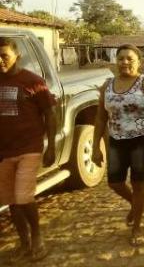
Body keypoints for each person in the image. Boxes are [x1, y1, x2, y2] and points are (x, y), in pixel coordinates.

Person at [92, 44, 144, 246]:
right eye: (121, 58)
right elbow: (100, 118)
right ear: (116, 61)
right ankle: (136, 205)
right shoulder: (107, 85)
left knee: (138, 182)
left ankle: (137, 227)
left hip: (142, 141)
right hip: (116, 140)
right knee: (114, 182)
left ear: (139, 62)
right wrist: (95, 148)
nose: (125, 62)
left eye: (130, 59)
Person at [0, 37, 56, 263]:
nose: (0, 60)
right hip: (4, 151)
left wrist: (51, 145)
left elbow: (50, 115)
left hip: (29, 148)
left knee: (24, 198)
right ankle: (24, 242)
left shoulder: (33, 81)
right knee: (11, 200)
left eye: (4, 55)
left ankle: (37, 237)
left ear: (17, 56)